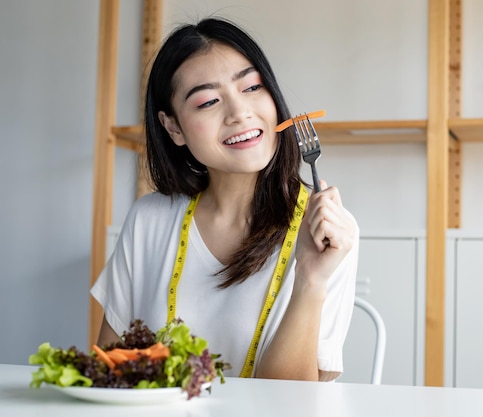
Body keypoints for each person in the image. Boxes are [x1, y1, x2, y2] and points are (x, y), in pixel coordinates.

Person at [90, 16, 359, 382]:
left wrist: (311, 279)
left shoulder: (328, 233)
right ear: (173, 128)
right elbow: (109, 371)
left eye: (252, 88)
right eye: (209, 101)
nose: (240, 113)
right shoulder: (149, 220)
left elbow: (291, 403)